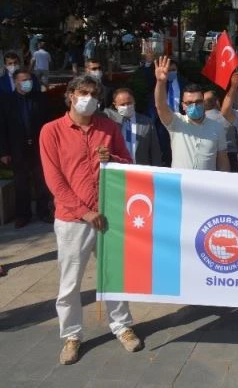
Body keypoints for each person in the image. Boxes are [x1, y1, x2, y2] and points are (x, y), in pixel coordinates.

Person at [39, 75, 142, 365]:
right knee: (70, 282)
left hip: (108, 216)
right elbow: (54, 180)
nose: (89, 98)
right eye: (83, 92)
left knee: (114, 276)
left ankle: (122, 326)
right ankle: (72, 335)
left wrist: (112, 160)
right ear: (71, 95)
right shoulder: (52, 131)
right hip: (73, 219)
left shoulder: (108, 127)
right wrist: (84, 211)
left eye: (94, 94)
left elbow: (128, 164)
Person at [153, 56, 229, 172]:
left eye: (198, 102)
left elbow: (223, 161)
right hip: (180, 182)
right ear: (183, 106)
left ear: (204, 103)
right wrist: (160, 82)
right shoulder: (176, 123)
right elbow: (160, 105)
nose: (194, 105)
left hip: (206, 182)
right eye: (189, 103)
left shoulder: (217, 127)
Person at [0, 69, 52, 227]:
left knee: (41, 181)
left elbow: (48, 123)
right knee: (21, 182)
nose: (27, 83)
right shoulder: (6, 101)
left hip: (38, 147)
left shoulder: (40, 98)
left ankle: (44, 211)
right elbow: (2, 128)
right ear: (16, 82)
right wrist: (4, 152)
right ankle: (23, 215)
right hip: (17, 148)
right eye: (23, 80)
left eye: (29, 79)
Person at [103, 88, 162, 167]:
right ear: (115, 105)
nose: (126, 107)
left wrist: (157, 169)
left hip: (140, 170)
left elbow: (155, 150)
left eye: (129, 103)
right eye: (122, 105)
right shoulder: (110, 119)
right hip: (117, 169)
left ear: (134, 101)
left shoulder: (147, 122)